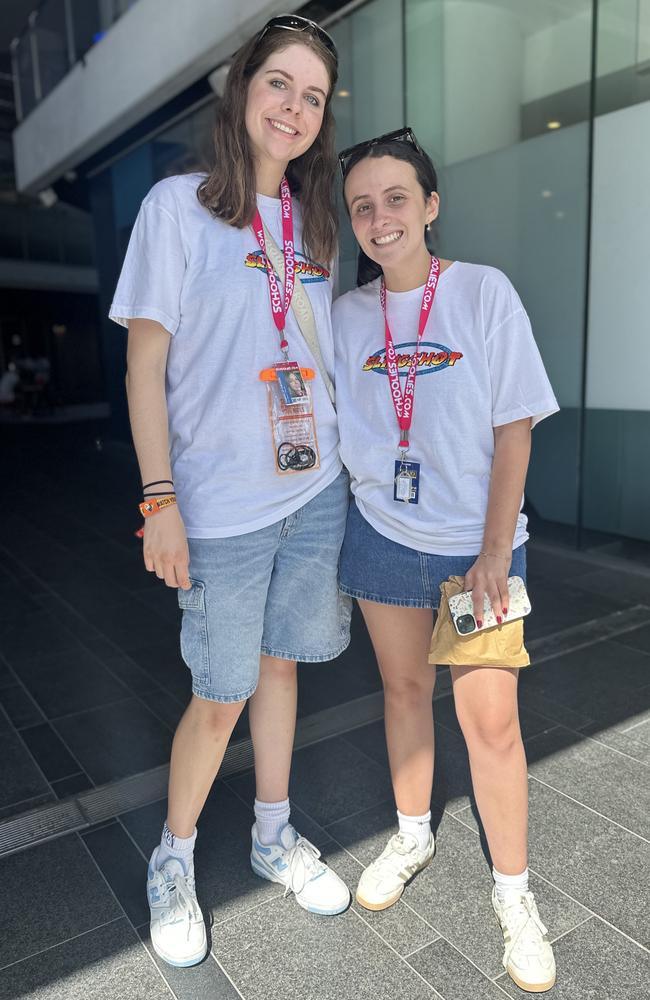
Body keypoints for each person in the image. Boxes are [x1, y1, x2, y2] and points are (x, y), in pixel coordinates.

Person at [109, 14, 351, 969]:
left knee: (284, 667)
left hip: (313, 489)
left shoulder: (319, 223)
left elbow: (325, 360)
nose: (293, 107)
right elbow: (145, 364)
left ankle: (271, 834)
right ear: (245, 89)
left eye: (314, 97)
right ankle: (174, 858)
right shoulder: (178, 208)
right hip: (216, 505)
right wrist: (158, 499)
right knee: (221, 690)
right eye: (280, 84)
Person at [333, 128, 559, 993]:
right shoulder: (350, 314)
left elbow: (514, 426)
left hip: (478, 553)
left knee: (491, 724)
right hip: (384, 539)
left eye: (397, 198)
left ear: (430, 206)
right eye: (363, 205)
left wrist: (497, 549)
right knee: (400, 693)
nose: (380, 217)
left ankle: (515, 895)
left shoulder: (481, 294)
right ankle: (413, 832)